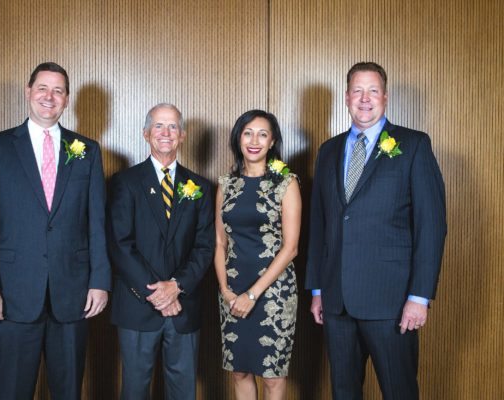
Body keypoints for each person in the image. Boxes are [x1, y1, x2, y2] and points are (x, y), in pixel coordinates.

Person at [0, 62, 111, 399]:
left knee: (67, 392)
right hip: (11, 296)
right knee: (12, 391)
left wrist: (99, 281)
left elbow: (96, 222)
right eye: (43, 88)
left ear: (67, 100)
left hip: (73, 295)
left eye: (58, 90)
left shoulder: (87, 151)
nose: (50, 96)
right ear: (28, 92)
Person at [305, 62, 447, 399]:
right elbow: (320, 226)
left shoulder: (413, 145)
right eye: (357, 90)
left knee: (399, 391)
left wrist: (419, 296)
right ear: (346, 97)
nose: (364, 98)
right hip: (336, 302)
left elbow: (432, 226)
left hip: (392, 303)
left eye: (372, 91)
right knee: (344, 392)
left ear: (385, 96)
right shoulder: (328, 151)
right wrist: (317, 290)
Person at [107, 103, 215, 399]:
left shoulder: (201, 187)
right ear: (145, 134)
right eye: (158, 126)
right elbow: (120, 244)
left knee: (183, 391)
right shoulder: (125, 183)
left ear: (182, 135)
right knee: (134, 389)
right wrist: (158, 293)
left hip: (184, 307)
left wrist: (177, 287)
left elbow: (205, 246)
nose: (165, 133)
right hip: (137, 306)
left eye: (172, 127)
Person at [215, 109, 301, 399]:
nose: (254, 140)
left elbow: (291, 248)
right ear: (238, 138)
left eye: (262, 134)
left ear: (272, 141)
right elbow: (219, 243)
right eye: (248, 133)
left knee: (272, 375)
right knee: (240, 371)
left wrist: (252, 295)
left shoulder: (286, 183)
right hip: (233, 288)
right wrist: (227, 291)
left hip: (273, 291)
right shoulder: (226, 184)